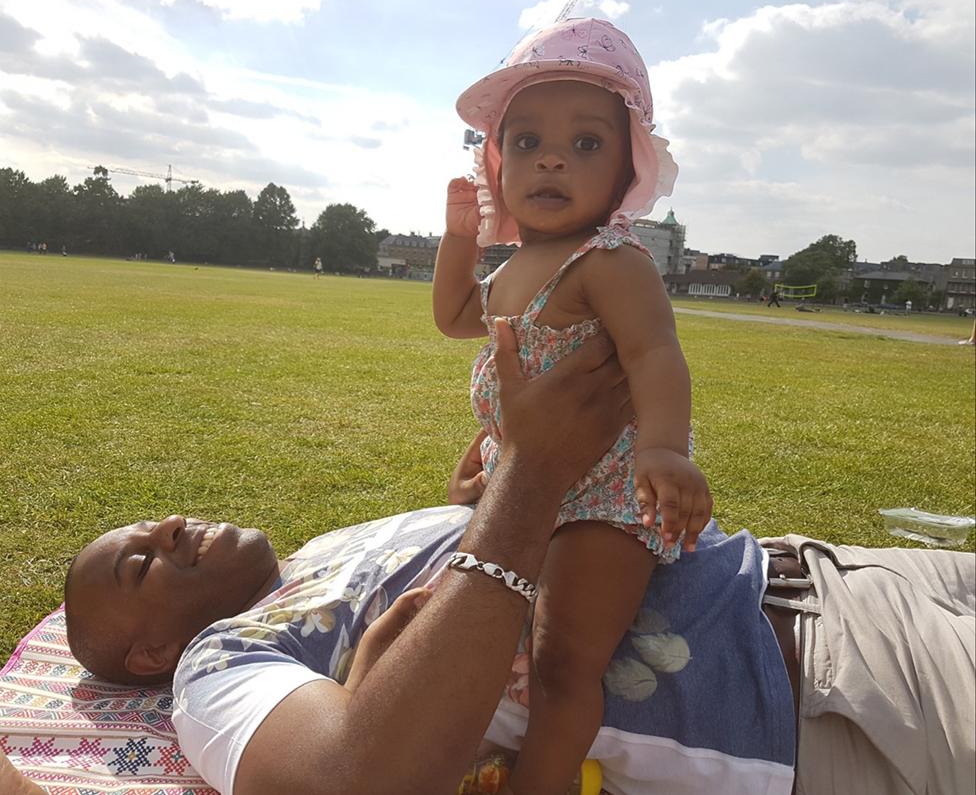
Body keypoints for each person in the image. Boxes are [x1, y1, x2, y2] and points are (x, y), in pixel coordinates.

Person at [7, 320, 971, 794]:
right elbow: (353, 779)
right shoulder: (220, 667)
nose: (170, 530)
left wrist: (494, 489)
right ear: (146, 655)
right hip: (841, 691)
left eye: (156, 522)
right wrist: (533, 478)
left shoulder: (320, 554)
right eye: (141, 563)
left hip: (840, 572)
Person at [432, 19, 711, 793]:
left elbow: (657, 355)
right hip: (528, 484)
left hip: (603, 497)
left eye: (586, 144)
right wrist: (461, 239)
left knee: (563, 659)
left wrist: (663, 449)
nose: (551, 157)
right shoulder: (520, 264)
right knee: (481, 628)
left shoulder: (611, 261)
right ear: (497, 165)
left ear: (629, 169)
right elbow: (457, 316)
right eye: (525, 142)